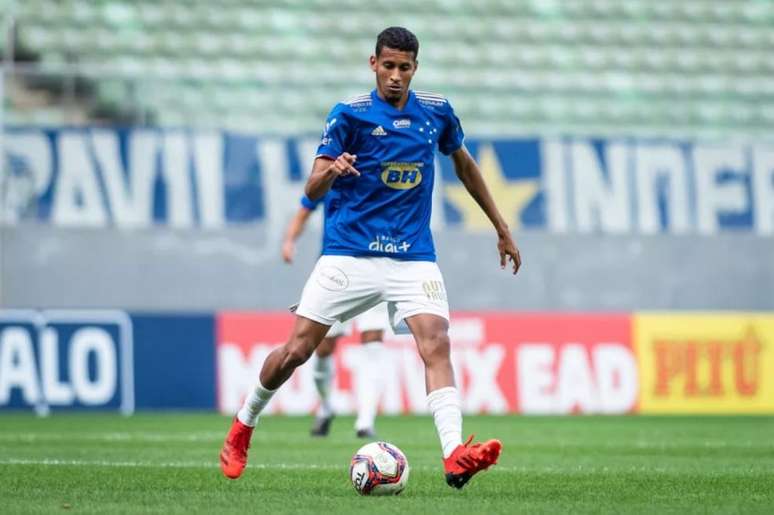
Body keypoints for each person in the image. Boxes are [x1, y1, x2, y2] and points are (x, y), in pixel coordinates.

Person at [220, 26, 521, 489]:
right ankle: (243, 425)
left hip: (412, 256)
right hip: (349, 254)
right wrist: (334, 170)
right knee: (297, 351)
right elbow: (312, 187)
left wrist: (501, 227)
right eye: (388, 66)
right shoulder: (350, 116)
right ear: (373, 64)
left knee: (436, 341)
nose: (396, 76)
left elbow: (463, 164)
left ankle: (454, 454)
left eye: (405, 67)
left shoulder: (436, 112)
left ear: (415, 68)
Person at [282, 196, 388, 439]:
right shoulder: (334, 168)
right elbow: (306, 205)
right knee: (321, 348)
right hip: (337, 272)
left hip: (380, 266)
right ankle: (327, 406)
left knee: (372, 342)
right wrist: (290, 240)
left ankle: (365, 421)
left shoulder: (385, 167)